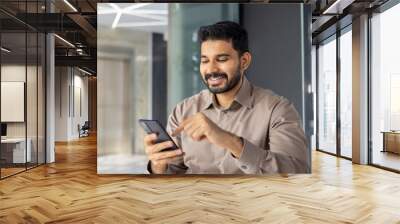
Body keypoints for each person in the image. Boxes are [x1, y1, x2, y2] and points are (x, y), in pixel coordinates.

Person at [144, 21, 309, 174]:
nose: (211, 69)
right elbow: (174, 173)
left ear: (244, 61)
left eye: (221, 59)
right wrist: (158, 165)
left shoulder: (278, 109)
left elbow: (295, 173)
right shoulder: (183, 111)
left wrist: (230, 141)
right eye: (205, 60)